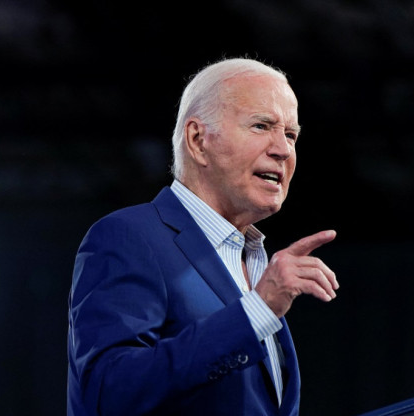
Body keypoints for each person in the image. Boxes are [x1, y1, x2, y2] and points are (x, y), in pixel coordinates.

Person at [67, 57, 339, 416]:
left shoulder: (257, 261)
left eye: (291, 135)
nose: (283, 149)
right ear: (198, 140)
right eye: (261, 126)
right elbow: (109, 393)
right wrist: (256, 311)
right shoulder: (129, 237)